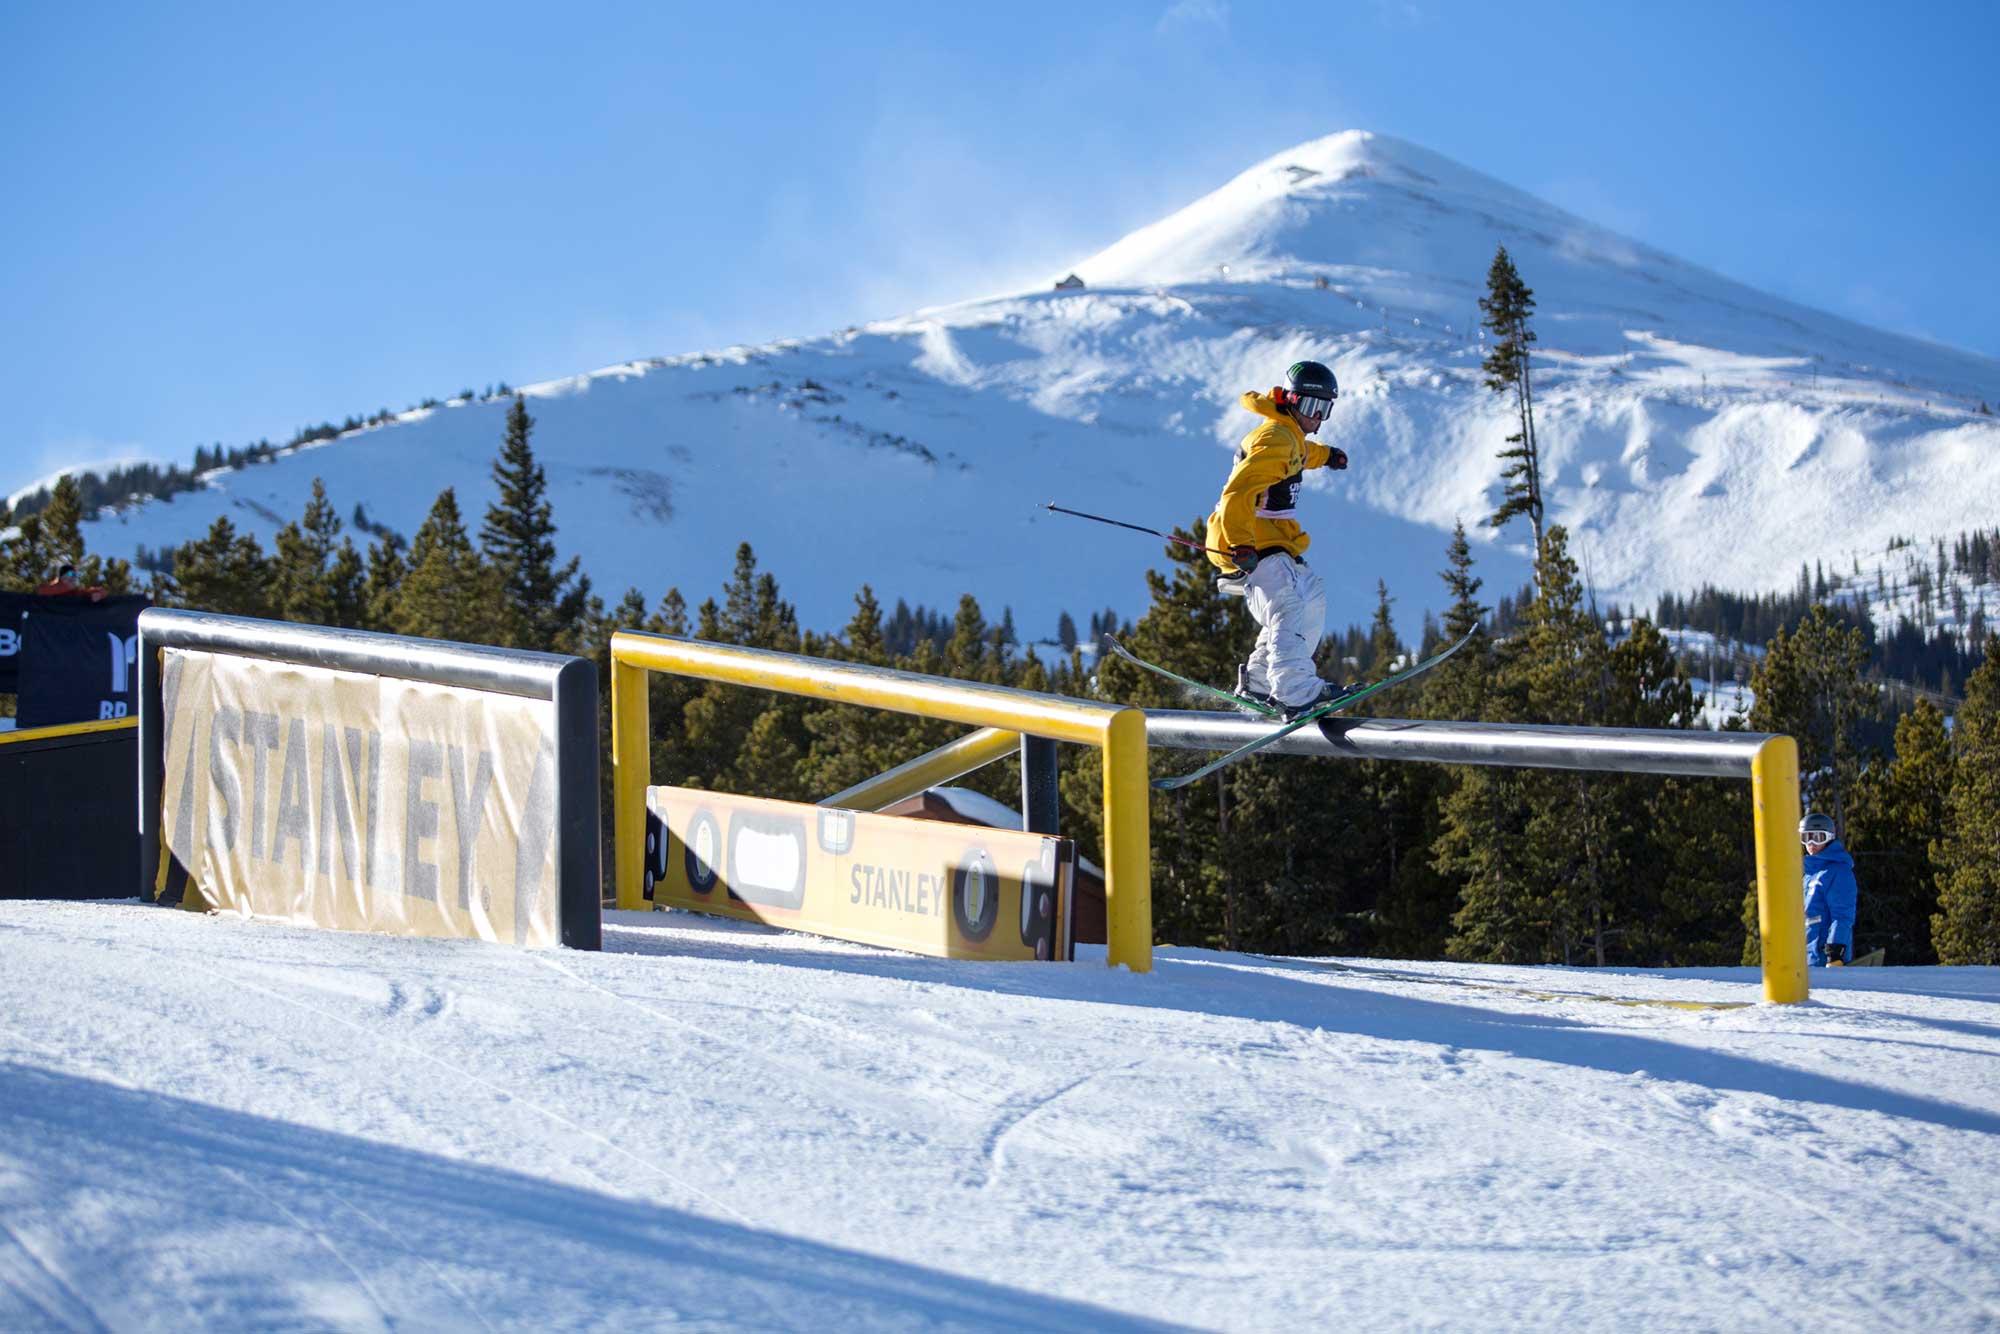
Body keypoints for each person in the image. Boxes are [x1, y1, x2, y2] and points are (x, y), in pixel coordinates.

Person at [1205, 360, 1349, 718]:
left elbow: (1302, 454)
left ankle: (1259, 683)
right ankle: (1292, 688)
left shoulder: (1290, 435)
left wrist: (1327, 455)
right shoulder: (1275, 438)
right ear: (1290, 400)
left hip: (1270, 540)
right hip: (1251, 541)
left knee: (1310, 595)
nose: (1316, 417)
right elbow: (1238, 493)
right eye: (1311, 407)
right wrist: (1240, 545)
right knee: (1286, 605)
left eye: (1324, 409)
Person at [1800, 811, 1859, 966]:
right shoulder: (1808, 876)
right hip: (1807, 959)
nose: (1811, 843)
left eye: (1818, 837)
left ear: (1829, 838)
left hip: (1825, 959)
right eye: (1806, 837)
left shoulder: (1838, 872)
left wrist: (1835, 953)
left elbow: (1842, 916)